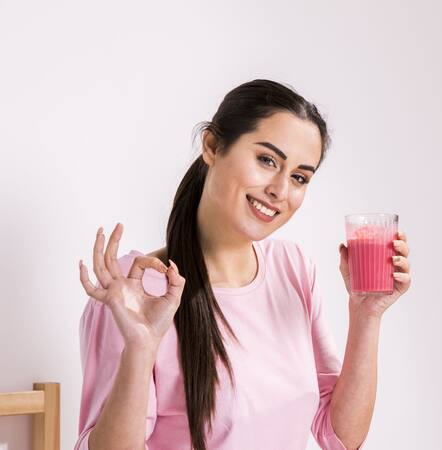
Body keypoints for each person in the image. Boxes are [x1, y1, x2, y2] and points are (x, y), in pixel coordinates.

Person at [74, 79, 412, 450]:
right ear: (212, 146)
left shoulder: (292, 268)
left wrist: (366, 314)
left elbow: (340, 436)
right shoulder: (136, 288)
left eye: (299, 177)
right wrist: (140, 349)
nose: (280, 190)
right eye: (267, 160)